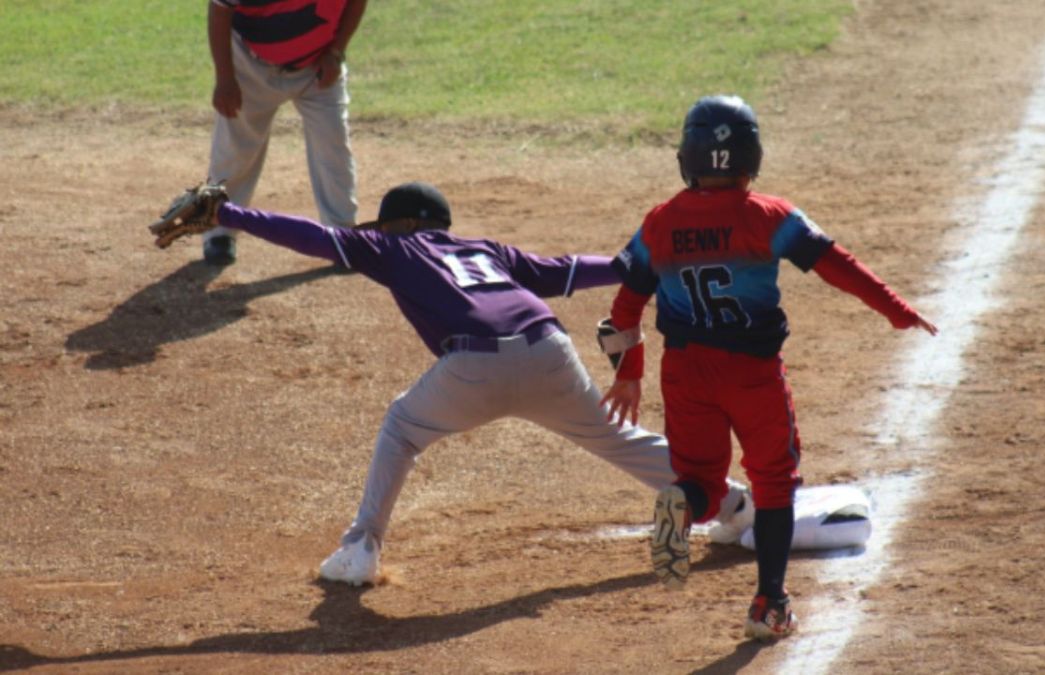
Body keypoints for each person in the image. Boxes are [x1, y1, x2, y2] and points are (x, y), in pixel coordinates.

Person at [190, 181, 754, 585]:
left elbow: (313, 236)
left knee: (402, 429)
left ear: (404, 225)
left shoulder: (391, 246)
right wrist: (637, 266)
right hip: (548, 350)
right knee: (616, 439)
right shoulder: (488, 251)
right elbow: (572, 270)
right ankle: (732, 504)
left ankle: (361, 548)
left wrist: (231, 215)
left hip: (472, 366)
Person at [598, 95, 938, 642]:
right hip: (752, 374)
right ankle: (769, 603)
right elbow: (838, 266)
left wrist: (628, 373)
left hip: (685, 373)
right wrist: (896, 310)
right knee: (774, 484)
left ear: (687, 156)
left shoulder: (660, 222)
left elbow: (625, 308)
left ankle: (681, 506)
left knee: (702, 482)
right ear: (751, 157)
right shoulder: (770, 216)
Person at [202, 0, 369, 266]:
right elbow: (219, 10)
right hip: (249, 64)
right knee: (236, 148)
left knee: (332, 144)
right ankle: (220, 230)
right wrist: (225, 79)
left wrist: (337, 51)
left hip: (319, 65)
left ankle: (342, 236)